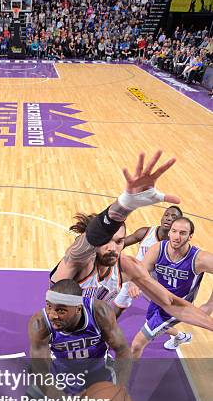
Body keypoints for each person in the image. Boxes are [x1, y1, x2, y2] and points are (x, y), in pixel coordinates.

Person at [50, 150, 213, 334]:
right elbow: (92, 237)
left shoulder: (127, 267)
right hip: (60, 332)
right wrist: (125, 205)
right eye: (106, 241)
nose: (113, 247)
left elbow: (172, 304)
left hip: (93, 330)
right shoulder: (77, 261)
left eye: (119, 241)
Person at [14, 280, 132, 401]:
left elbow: (122, 350)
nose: (52, 314)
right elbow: (42, 375)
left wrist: (119, 389)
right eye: (49, 306)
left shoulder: (99, 312)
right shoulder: (40, 323)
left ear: (78, 308)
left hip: (97, 373)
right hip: (60, 373)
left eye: (61, 310)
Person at [131, 217, 213, 357]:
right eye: (174, 231)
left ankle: (126, 377)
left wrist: (210, 304)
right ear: (169, 233)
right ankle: (181, 336)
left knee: (137, 344)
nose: (177, 236)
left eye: (182, 233)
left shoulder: (199, 258)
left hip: (178, 306)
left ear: (190, 236)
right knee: (149, 320)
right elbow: (142, 269)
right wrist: (134, 283)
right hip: (159, 298)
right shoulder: (158, 248)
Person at [113, 205, 183, 316]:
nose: (168, 218)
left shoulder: (176, 245)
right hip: (135, 276)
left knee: (159, 317)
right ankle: (104, 330)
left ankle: (179, 334)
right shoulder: (145, 232)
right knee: (117, 307)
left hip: (155, 283)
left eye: (173, 217)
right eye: (166, 215)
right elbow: (122, 243)